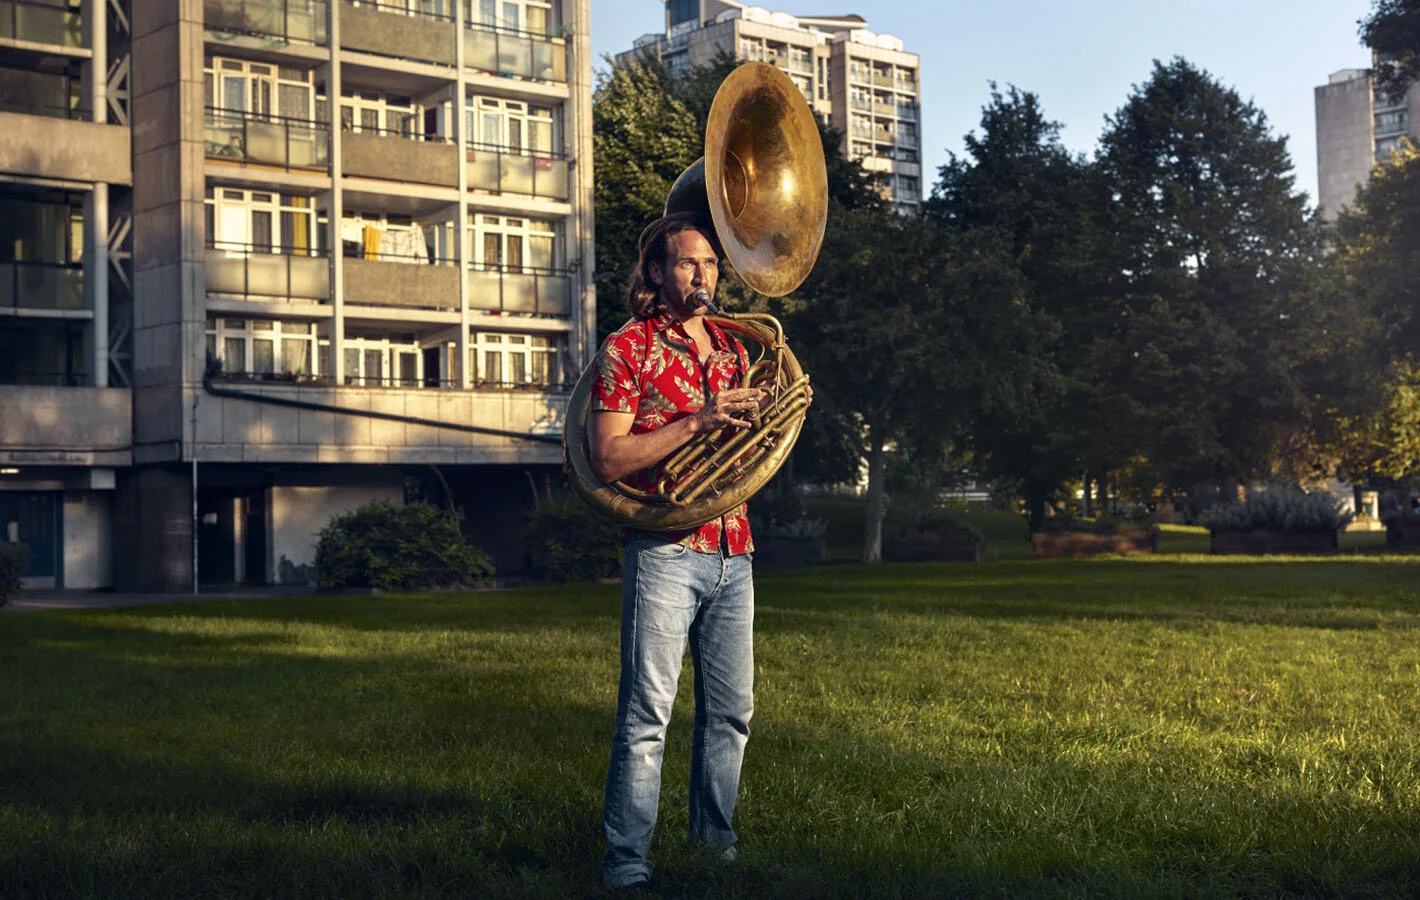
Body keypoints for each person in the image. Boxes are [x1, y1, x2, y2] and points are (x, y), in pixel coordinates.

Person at [590, 211, 771, 890]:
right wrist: (699, 419)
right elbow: (608, 458)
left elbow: (742, 449)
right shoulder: (627, 348)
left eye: (712, 264)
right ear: (659, 273)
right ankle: (627, 861)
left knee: (732, 712)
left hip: (735, 545)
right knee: (648, 716)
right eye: (690, 263)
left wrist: (764, 407)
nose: (705, 275)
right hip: (666, 548)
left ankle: (713, 845)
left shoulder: (731, 348)